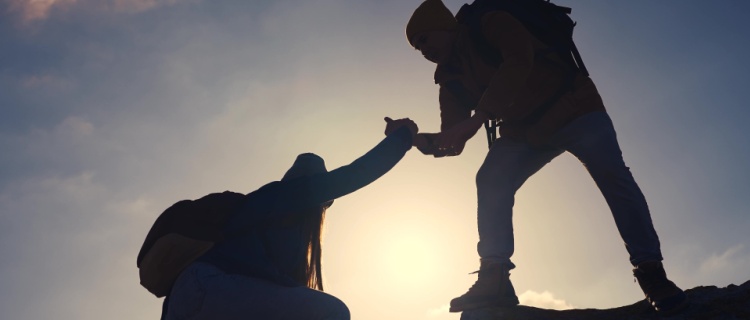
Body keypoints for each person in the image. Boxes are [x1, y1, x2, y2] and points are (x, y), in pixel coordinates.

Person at [390, 0, 689, 315]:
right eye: (416, 46)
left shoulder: (490, 21)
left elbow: (521, 59)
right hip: (524, 133)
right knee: (491, 178)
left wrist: (479, 118)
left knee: (612, 174)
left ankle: (651, 272)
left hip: (574, 107)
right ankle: (495, 277)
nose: (422, 49)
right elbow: (453, 140)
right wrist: (411, 139)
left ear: (445, 25)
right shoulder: (449, 78)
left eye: (424, 38)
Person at [164, 122, 417, 320]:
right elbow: (356, 174)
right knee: (333, 312)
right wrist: (402, 136)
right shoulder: (290, 195)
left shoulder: (264, 211)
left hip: (187, 297)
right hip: (213, 287)